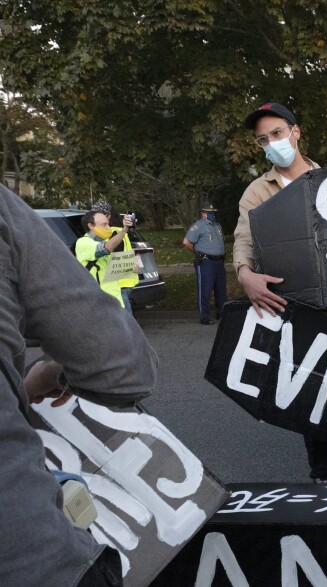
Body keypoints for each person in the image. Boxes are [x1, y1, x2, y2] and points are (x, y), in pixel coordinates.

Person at [0, 185, 158, 586]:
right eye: (101, 221)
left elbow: (124, 258)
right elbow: (123, 368)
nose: (105, 225)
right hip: (29, 557)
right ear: (90, 225)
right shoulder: (86, 245)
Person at [234, 102, 327, 484]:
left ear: (296, 132)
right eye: (263, 140)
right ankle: (320, 473)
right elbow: (244, 240)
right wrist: (245, 274)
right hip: (295, 306)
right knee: (310, 391)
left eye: (278, 133)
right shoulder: (257, 191)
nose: (272, 143)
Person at [75, 210, 135, 309]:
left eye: (108, 224)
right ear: (91, 226)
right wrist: (124, 230)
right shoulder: (83, 242)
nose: (109, 228)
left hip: (116, 302)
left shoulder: (104, 241)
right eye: (104, 225)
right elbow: (105, 248)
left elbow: (108, 271)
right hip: (100, 305)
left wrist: (130, 266)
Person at [90, 200, 140, 314]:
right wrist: (137, 265)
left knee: (124, 323)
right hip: (127, 282)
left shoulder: (111, 233)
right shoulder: (120, 230)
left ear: (108, 216)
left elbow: (113, 257)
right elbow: (131, 250)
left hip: (118, 284)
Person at [183, 201, 227, 325]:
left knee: (221, 289)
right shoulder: (198, 226)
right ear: (203, 213)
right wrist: (198, 253)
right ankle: (204, 317)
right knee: (205, 290)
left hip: (219, 262)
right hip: (206, 262)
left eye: (213, 212)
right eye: (209, 212)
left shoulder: (217, 225)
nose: (212, 214)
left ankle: (221, 313)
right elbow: (186, 242)